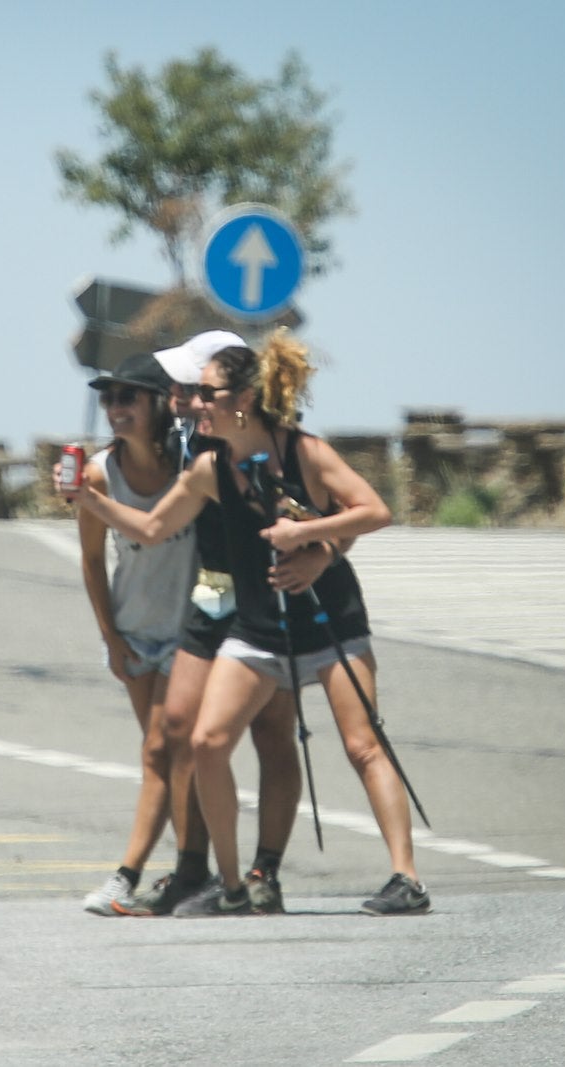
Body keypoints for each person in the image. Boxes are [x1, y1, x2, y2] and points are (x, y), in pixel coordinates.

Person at [65, 328, 429, 917]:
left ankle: (400, 878)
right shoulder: (205, 461)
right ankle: (226, 886)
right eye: (191, 392)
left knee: (360, 744)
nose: (192, 401)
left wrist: (311, 541)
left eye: (204, 392)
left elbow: (371, 511)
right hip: (250, 623)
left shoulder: (300, 451)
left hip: (326, 617)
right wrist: (88, 497)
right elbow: (153, 528)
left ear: (241, 398)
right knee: (201, 739)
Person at [74, 353, 196, 914]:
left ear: (156, 404)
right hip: (135, 631)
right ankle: (194, 867)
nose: (115, 409)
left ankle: (127, 875)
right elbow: (93, 562)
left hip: (189, 630)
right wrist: (112, 638)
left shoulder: (191, 463)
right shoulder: (100, 474)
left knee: (160, 749)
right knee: (165, 758)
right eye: (108, 399)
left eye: (127, 399)